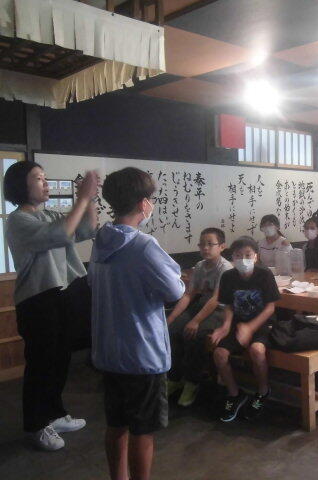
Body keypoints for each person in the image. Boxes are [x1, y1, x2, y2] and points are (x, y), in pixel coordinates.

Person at [89, 167, 185, 480]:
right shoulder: (143, 245)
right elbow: (174, 290)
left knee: (116, 424)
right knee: (142, 430)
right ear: (144, 204)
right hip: (142, 354)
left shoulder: (101, 241)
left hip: (109, 351)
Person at [5, 161, 98, 451]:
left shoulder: (50, 214)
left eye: (45, 177)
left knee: (60, 360)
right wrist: (83, 197)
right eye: (38, 178)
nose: (45, 183)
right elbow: (59, 235)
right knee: (41, 364)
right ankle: (36, 425)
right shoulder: (18, 220)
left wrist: (91, 199)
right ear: (21, 185)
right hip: (37, 300)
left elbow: (87, 229)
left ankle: (54, 414)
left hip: (63, 294)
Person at [210, 236, 281, 422]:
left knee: (257, 350)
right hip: (237, 324)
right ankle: (234, 394)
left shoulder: (264, 275)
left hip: (262, 324)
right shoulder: (228, 277)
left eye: (248, 255)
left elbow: (270, 308)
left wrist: (249, 328)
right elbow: (228, 305)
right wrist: (225, 326)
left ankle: (263, 391)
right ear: (232, 257)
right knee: (219, 354)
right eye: (238, 255)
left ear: (256, 256)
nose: (243, 259)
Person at [166, 227, 233, 407]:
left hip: (220, 310)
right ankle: (174, 378)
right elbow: (188, 295)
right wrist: (170, 318)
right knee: (172, 330)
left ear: (222, 247)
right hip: (202, 306)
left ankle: (192, 382)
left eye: (210, 244)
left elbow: (216, 299)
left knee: (194, 335)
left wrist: (195, 321)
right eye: (202, 244)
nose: (205, 248)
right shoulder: (200, 266)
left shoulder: (226, 268)